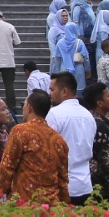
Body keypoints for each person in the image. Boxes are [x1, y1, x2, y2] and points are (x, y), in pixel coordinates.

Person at [0, 90, 68, 204]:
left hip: (25, 204)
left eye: (24, 105)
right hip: (51, 206)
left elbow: (7, 168)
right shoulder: (59, 140)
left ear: (29, 108)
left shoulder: (20, 132)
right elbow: (63, 179)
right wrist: (65, 204)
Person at [45, 72, 96, 204]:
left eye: (52, 89)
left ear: (64, 91)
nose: (49, 93)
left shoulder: (54, 114)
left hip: (63, 186)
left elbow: (48, 149)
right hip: (85, 185)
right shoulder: (88, 115)